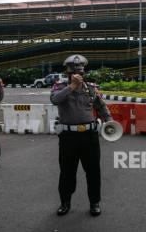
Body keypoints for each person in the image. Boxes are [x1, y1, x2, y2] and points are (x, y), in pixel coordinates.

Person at [50, 54, 113, 217]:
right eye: (74, 73)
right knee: (67, 172)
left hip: (89, 136)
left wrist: (109, 120)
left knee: (93, 171)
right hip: (68, 137)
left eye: (80, 72)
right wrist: (72, 85)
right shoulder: (59, 86)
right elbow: (55, 100)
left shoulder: (91, 87)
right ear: (68, 73)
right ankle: (65, 202)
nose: (78, 75)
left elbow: (101, 106)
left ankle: (95, 202)